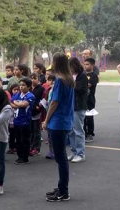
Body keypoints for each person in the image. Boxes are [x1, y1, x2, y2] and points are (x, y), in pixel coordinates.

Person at [42, 53, 75, 202]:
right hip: (65, 120)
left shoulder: (60, 81)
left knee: (60, 158)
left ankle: (63, 191)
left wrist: (46, 120)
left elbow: (54, 102)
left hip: (58, 121)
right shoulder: (68, 79)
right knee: (61, 157)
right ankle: (62, 187)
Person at [67, 57, 88, 163]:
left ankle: (80, 153)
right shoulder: (70, 76)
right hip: (70, 106)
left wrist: (71, 86)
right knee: (70, 131)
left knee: (78, 131)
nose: (70, 69)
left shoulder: (82, 76)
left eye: (71, 67)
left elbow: (83, 90)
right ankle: (74, 152)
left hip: (79, 106)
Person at [12, 78, 36, 164]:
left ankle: (24, 157)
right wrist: (17, 104)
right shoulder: (17, 95)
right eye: (20, 85)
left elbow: (23, 104)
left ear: (29, 87)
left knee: (24, 140)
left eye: (23, 85)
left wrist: (16, 104)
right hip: (16, 120)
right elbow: (11, 103)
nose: (21, 87)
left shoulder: (30, 96)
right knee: (18, 140)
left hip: (25, 121)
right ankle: (19, 156)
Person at [83, 58, 99, 143]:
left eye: (87, 64)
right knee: (82, 118)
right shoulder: (82, 74)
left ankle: (90, 134)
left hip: (90, 100)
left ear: (92, 65)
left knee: (89, 117)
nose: (85, 66)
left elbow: (88, 85)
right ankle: (84, 133)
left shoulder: (94, 76)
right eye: (84, 64)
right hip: (82, 100)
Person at [29, 73, 45, 155]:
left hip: (37, 112)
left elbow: (44, 98)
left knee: (36, 130)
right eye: (31, 78)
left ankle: (36, 148)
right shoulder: (29, 89)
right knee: (31, 130)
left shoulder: (41, 89)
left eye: (34, 78)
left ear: (38, 79)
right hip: (30, 112)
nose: (33, 80)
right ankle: (31, 146)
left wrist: (39, 105)